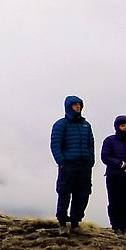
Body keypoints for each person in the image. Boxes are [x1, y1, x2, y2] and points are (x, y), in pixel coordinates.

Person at [50, 95, 95, 235]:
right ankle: (62, 223)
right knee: (64, 193)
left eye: (79, 105)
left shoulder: (86, 125)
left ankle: (75, 222)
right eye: (75, 105)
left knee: (83, 194)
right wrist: (61, 162)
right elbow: (55, 144)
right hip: (68, 165)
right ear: (69, 106)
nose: (78, 107)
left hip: (84, 166)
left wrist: (90, 161)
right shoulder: (60, 124)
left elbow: (91, 143)